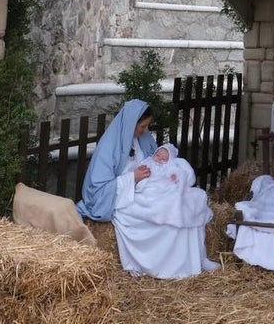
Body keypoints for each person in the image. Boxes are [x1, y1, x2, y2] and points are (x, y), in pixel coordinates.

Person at [76, 102, 218, 278]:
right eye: (142, 126)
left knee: (193, 198)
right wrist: (132, 178)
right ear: (131, 123)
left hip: (151, 188)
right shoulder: (108, 147)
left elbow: (160, 159)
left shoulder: (143, 139)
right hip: (126, 197)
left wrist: (169, 175)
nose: (145, 130)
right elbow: (98, 190)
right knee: (169, 207)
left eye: (147, 126)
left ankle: (198, 257)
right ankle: (174, 265)